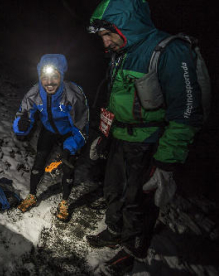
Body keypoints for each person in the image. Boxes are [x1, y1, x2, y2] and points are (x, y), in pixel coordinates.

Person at [85, 0, 204, 273]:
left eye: (108, 34)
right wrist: (105, 134)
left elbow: (186, 113)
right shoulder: (121, 52)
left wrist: (166, 165)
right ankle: (116, 230)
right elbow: (117, 101)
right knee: (113, 190)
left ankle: (132, 249)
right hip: (119, 138)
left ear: (126, 26)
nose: (105, 43)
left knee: (137, 200)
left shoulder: (169, 51)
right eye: (102, 36)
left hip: (148, 142)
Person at [13, 54, 89, 222]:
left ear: (62, 76)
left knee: (68, 166)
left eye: (55, 77)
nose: (49, 82)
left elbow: (81, 126)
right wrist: (21, 125)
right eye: (45, 77)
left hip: (69, 132)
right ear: (40, 77)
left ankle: (64, 202)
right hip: (48, 130)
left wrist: (71, 147)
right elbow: (24, 113)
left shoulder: (73, 94)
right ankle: (32, 195)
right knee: (38, 161)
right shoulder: (35, 93)